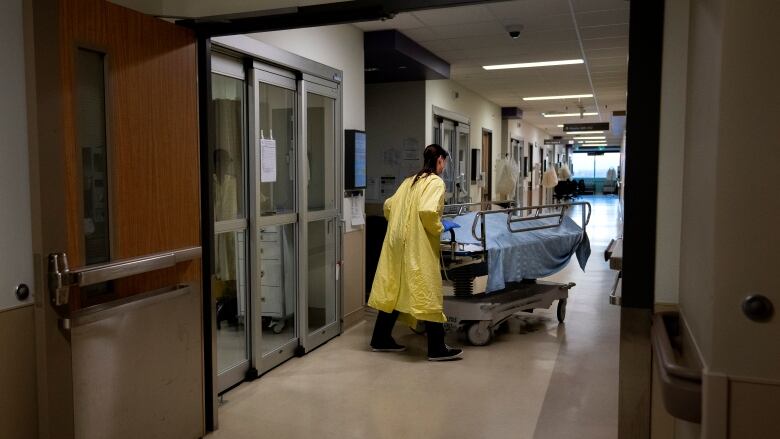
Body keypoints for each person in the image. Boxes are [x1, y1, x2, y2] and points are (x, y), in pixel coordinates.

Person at [367, 144, 464, 361]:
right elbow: (428, 211)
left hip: (396, 244)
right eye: (444, 162)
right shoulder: (435, 182)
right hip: (417, 246)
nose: (444, 166)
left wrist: (401, 225)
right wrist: (440, 227)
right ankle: (437, 348)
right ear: (439, 160)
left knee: (394, 287)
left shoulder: (408, 181)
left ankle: (380, 338)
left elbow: (388, 206)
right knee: (427, 289)